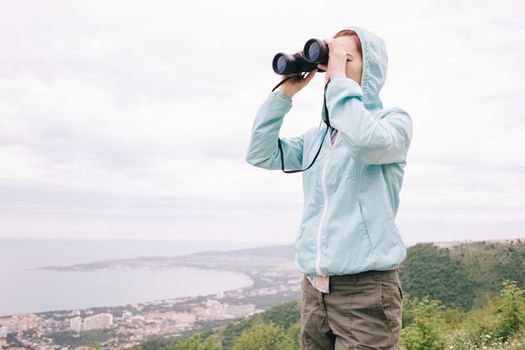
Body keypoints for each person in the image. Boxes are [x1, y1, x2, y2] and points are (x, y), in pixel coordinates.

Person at [245, 25, 412, 350]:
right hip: (314, 289)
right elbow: (260, 153)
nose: (335, 65)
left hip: (366, 291)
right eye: (331, 59)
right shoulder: (317, 137)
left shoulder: (393, 121)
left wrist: (338, 81)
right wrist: (284, 93)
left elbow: (365, 141)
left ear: (371, 69)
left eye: (345, 57)